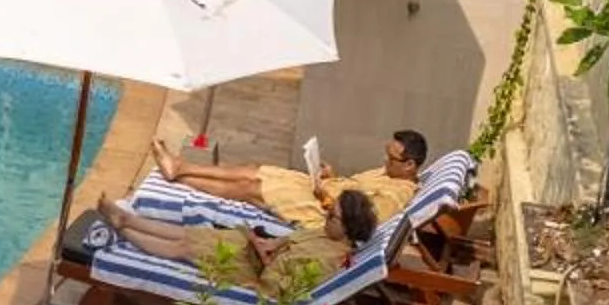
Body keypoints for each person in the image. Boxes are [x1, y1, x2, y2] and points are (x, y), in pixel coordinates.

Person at [100, 188, 381, 296]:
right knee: (190, 233)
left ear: (347, 228)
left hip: (251, 273)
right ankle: (128, 219)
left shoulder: (328, 260)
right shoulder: (325, 234)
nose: (325, 216)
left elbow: (279, 287)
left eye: (332, 216)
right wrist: (268, 244)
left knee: (184, 248)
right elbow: (290, 239)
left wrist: (267, 258)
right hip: (254, 253)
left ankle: (123, 230)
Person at [154, 129, 425, 231]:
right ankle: (179, 167)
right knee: (255, 169)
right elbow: (354, 186)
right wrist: (331, 176)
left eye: (391, 158)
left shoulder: (396, 194)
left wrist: (326, 198)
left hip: (320, 214)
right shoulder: (387, 172)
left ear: (410, 165)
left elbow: (359, 219)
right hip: (317, 190)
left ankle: (181, 177)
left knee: (251, 188)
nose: (385, 161)